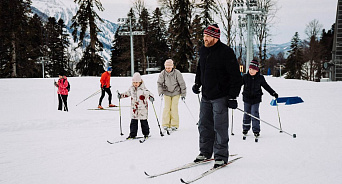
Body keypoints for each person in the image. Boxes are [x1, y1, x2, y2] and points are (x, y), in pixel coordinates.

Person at [192, 24, 242, 168]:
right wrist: (197, 84)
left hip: (221, 96)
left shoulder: (226, 52)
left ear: (215, 37)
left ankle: (220, 156)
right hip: (206, 96)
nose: (205, 39)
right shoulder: (203, 50)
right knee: (204, 125)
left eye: (207, 36)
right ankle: (205, 152)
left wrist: (233, 96)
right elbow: (200, 69)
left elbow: (236, 77)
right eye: (204, 36)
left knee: (220, 127)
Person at [242, 60, 278, 137]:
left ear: (257, 70)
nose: (251, 71)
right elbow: (237, 85)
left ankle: (256, 130)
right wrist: (232, 93)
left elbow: (266, 86)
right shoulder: (245, 77)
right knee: (246, 113)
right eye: (250, 69)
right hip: (247, 98)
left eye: (253, 70)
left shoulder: (260, 78)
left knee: (254, 113)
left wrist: (273, 93)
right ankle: (245, 128)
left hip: (256, 99)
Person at [117, 72, 154, 139]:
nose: (135, 84)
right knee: (133, 122)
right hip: (134, 109)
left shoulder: (143, 89)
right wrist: (121, 95)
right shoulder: (131, 88)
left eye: (137, 82)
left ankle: (146, 134)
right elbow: (127, 93)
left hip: (143, 109)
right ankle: (132, 135)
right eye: (134, 82)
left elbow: (149, 94)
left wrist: (151, 97)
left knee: (144, 122)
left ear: (140, 82)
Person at [157, 59, 187, 131]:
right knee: (167, 108)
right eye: (166, 68)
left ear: (172, 67)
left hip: (176, 92)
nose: (168, 69)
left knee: (174, 108)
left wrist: (183, 94)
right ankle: (165, 124)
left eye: (169, 68)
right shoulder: (162, 73)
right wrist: (160, 92)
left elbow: (182, 84)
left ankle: (174, 124)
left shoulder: (177, 73)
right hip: (167, 92)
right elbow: (159, 83)